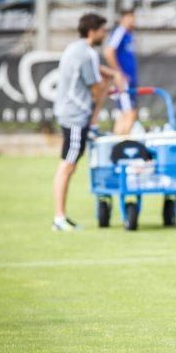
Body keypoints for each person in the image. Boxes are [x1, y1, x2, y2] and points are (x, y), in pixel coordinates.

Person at [52, 13, 126, 232]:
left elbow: (93, 72)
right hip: (76, 116)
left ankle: (60, 217)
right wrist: (108, 89)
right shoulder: (89, 54)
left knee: (68, 164)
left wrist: (110, 73)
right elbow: (95, 86)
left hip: (67, 112)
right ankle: (59, 217)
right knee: (67, 166)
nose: (105, 35)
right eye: (102, 30)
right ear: (92, 31)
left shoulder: (74, 48)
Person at [104, 9, 139, 135]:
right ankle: (123, 147)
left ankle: (115, 146)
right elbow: (108, 52)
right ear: (123, 18)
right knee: (130, 113)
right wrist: (118, 73)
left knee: (123, 114)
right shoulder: (120, 32)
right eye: (130, 17)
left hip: (129, 79)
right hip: (124, 81)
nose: (133, 21)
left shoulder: (129, 35)